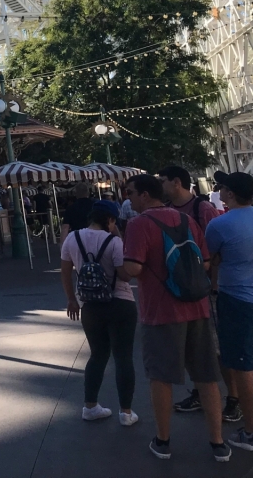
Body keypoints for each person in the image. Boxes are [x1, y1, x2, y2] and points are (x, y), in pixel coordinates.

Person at [123, 173, 229, 462]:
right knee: (207, 376)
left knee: (161, 377)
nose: (128, 198)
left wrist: (118, 270)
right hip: (197, 306)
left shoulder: (138, 224)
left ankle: (163, 440)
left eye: (131, 192)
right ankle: (218, 442)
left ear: (146, 195)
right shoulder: (187, 220)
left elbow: (132, 268)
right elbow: (206, 262)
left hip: (161, 311)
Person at [157, 166, 238, 419]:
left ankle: (234, 398)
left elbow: (216, 251)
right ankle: (201, 392)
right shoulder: (169, 210)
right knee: (197, 347)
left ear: (176, 182)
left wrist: (213, 285)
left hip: (207, 287)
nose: (160, 186)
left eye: (163, 181)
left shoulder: (202, 209)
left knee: (218, 347)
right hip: (183, 289)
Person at [59, 201, 138, 425]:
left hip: (90, 306)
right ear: (110, 219)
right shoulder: (114, 242)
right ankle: (126, 412)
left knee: (97, 355)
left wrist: (71, 300)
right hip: (120, 302)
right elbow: (125, 276)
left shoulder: (72, 239)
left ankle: (90, 406)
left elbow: (65, 272)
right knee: (123, 357)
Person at [204, 171, 253, 452]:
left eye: (222, 187)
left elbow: (211, 259)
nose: (218, 190)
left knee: (243, 365)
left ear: (231, 194)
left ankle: (250, 430)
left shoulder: (219, 225)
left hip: (236, 298)